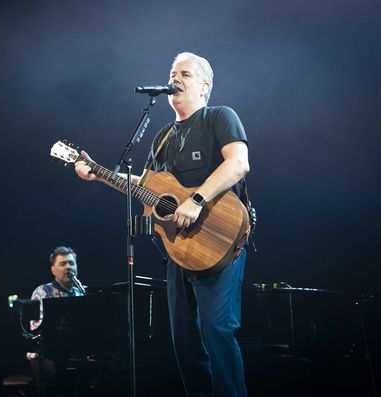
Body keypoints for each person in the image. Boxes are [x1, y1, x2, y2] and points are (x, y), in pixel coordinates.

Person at [74, 52, 250, 396]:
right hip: (180, 248)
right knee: (183, 340)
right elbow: (148, 187)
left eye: (184, 73)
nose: (175, 79)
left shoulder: (219, 117)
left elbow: (239, 164)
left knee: (217, 331)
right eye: (172, 73)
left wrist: (196, 201)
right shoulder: (163, 137)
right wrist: (97, 172)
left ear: (204, 86)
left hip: (220, 238)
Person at [28, 246, 85, 387]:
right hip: (44, 355)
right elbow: (34, 330)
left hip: (72, 353)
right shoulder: (42, 292)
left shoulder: (81, 293)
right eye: (62, 264)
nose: (68, 267)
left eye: (71, 263)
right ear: (53, 270)